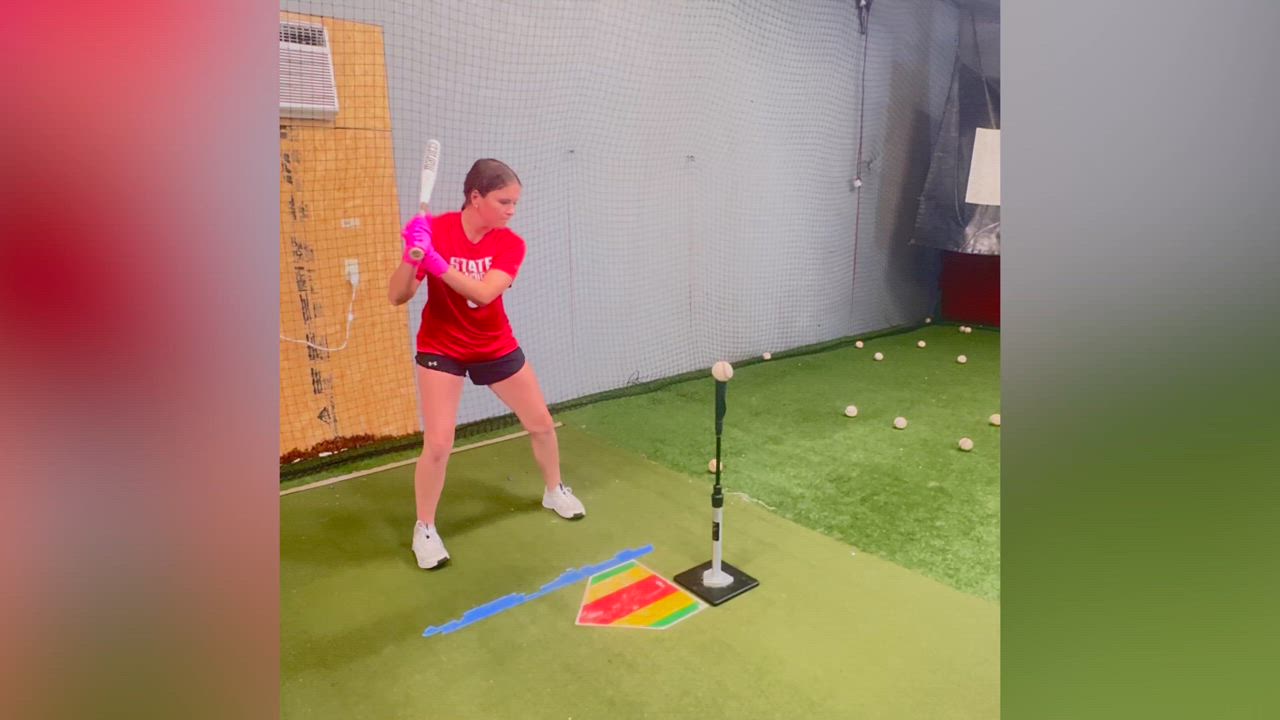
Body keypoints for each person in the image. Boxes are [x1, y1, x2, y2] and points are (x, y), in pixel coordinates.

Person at [388, 158, 585, 570]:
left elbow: (483, 293)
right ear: (475, 197)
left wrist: (436, 262)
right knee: (438, 443)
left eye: (515, 203)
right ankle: (425, 528)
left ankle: (554, 490)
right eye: (504, 202)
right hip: (442, 346)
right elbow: (397, 296)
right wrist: (412, 256)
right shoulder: (437, 230)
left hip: (494, 343)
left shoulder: (510, 243)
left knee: (541, 423)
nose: (512, 211)